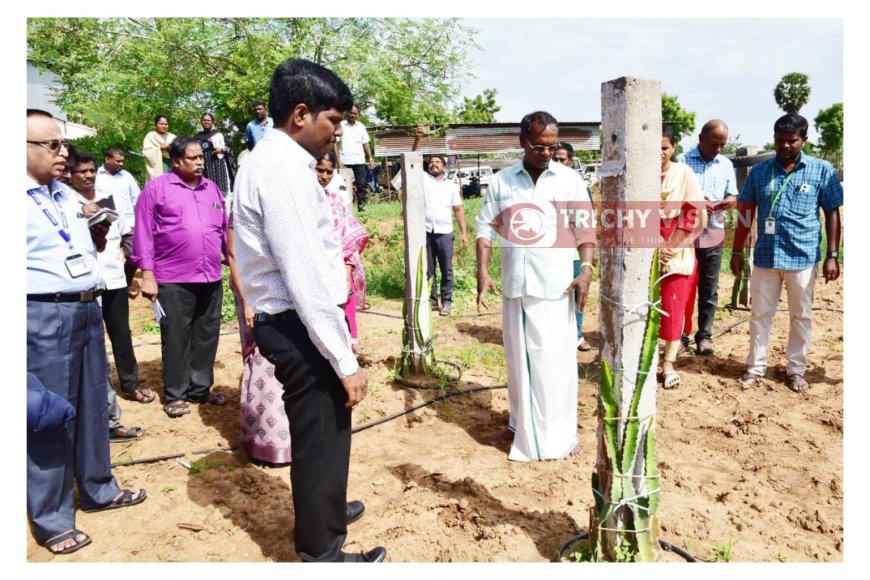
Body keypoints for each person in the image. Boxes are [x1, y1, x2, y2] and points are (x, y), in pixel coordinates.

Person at [233, 58, 385, 563]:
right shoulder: (280, 170)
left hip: (303, 322)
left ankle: (328, 509)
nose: (337, 134)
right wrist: (344, 360)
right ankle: (322, 552)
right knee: (320, 435)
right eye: (334, 122)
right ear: (301, 114)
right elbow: (304, 276)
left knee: (329, 430)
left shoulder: (281, 163)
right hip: (300, 323)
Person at [27, 109, 147, 556]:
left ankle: (99, 487)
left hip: (85, 308)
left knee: (94, 403)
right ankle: (52, 517)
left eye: (61, 144)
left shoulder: (64, 196)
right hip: (40, 315)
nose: (63, 152)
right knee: (50, 414)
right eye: (51, 145)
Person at [476, 111, 596, 461]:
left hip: (554, 285)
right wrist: (483, 274)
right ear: (522, 142)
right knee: (517, 361)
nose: (546, 153)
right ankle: (518, 425)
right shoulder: (502, 182)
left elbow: (586, 229)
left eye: (552, 146)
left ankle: (558, 435)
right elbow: (485, 229)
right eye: (538, 146)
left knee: (553, 361)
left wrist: (586, 269)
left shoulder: (569, 180)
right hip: (516, 284)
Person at [731, 113, 842, 393]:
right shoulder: (759, 172)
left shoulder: (822, 170)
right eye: (780, 141)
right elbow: (745, 212)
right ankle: (755, 368)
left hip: (802, 257)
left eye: (791, 141)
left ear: (803, 139)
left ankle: (795, 369)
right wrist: (736, 250)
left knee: (801, 315)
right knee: (760, 314)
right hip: (766, 257)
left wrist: (832, 255)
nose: (785, 146)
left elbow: (832, 213)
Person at [131, 137, 229, 418]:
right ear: (175, 161)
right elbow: (143, 235)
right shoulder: (156, 189)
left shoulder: (212, 189)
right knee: (176, 336)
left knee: (207, 334)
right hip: (173, 278)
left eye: (201, 158)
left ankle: (200, 389)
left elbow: (223, 231)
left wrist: (231, 264)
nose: (200, 162)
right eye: (193, 158)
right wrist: (147, 275)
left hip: (210, 276)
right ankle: (175, 394)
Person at [68, 153, 150, 441]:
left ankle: (130, 383)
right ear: (71, 175)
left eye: (91, 171)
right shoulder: (67, 203)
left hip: (113, 276)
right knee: (93, 343)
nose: (88, 176)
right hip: (85, 281)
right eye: (81, 172)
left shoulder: (107, 194)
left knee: (121, 334)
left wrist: (130, 276)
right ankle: (103, 405)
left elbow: (123, 234)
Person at [227, 220, 291, 465]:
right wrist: (246, 302)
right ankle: (264, 441)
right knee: (262, 362)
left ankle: (287, 440)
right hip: (255, 296)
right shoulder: (242, 209)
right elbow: (233, 255)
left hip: (283, 296)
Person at [677, 120, 738, 356]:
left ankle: (704, 336)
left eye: (722, 145)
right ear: (701, 138)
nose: (718, 149)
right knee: (683, 286)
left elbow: (731, 192)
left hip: (713, 234)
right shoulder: (681, 161)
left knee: (709, 289)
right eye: (714, 144)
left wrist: (729, 201)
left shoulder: (725, 164)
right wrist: (695, 203)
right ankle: (681, 337)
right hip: (685, 237)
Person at [658, 125, 705, 389]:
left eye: (664, 148)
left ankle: (669, 364)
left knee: (673, 308)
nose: (659, 154)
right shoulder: (640, 174)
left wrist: (670, 247)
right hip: (646, 251)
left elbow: (692, 213)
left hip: (677, 252)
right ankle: (647, 358)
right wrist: (653, 246)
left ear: (673, 147)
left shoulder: (684, 173)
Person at [412, 125, 469, 317]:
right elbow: (413, 159)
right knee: (428, 270)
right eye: (431, 162)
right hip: (426, 232)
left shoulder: (451, 186)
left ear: (444, 167)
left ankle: (446, 302)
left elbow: (459, 210)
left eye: (437, 162)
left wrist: (463, 233)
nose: (433, 164)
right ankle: (432, 300)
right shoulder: (423, 179)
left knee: (446, 270)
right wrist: (418, 139)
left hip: (445, 233)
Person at [315, 152, 370, 350]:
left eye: (329, 172)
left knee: (347, 299)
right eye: (320, 170)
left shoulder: (336, 200)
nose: (324, 176)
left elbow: (348, 238)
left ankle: (350, 342)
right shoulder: (302, 201)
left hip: (337, 264)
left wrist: (347, 273)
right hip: (313, 267)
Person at [553, 141, 591, 351]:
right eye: (555, 159)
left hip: (574, 252)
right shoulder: (544, 184)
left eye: (562, 159)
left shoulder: (577, 185)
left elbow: (587, 220)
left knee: (577, 292)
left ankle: (577, 335)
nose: (558, 162)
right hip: (551, 251)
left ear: (570, 161)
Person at [334, 104, 375, 212]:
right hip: (344, 160)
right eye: (351, 113)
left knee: (361, 185)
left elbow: (365, 143)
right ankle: (344, 210)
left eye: (355, 113)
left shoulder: (361, 126)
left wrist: (370, 158)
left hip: (359, 160)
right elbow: (335, 143)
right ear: (347, 113)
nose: (353, 115)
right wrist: (338, 160)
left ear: (358, 114)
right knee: (343, 185)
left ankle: (361, 209)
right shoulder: (340, 125)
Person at [96, 147, 141, 227]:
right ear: (107, 159)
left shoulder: (127, 176)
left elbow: (137, 199)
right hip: (106, 224)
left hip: (128, 223)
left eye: (122, 161)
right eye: (118, 161)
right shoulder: (96, 175)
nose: (121, 164)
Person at [195, 113, 235, 196]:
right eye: (204, 120)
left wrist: (222, 149)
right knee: (205, 190)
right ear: (201, 122)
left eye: (208, 120)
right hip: (202, 166)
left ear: (212, 122)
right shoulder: (197, 137)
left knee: (220, 190)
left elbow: (229, 148)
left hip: (217, 166)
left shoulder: (218, 134)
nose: (206, 122)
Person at [142, 115, 176, 183]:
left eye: (166, 124)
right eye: (161, 124)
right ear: (156, 124)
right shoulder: (151, 136)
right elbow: (146, 152)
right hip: (157, 164)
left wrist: (170, 149)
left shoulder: (173, 137)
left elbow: (180, 151)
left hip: (171, 164)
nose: (164, 126)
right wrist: (160, 148)